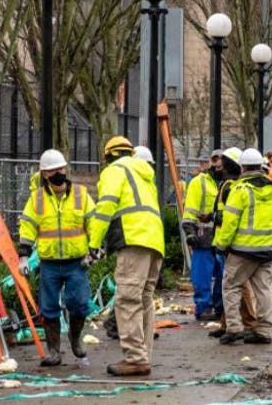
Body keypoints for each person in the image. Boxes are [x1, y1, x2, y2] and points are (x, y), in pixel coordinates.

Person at [89, 136, 165, 376]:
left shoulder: (114, 171)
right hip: (154, 241)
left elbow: (105, 208)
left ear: (109, 156)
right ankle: (143, 356)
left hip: (133, 239)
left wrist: (93, 242)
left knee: (127, 299)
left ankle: (135, 358)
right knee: (144, 298)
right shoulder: (144, 173)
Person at [17, 149, 95, 367]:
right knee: (48, 307)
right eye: (52, 171)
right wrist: (24, 255)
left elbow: (94, 223)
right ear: (44, 174)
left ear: (65, 168)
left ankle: (75, 337)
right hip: (49, 263)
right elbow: (28, 226)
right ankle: (54, 352)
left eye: (60, 169)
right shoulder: (37, 199)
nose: (57, 174)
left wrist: (95, 249)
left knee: (79, 304)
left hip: (76, 262)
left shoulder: (81, 195)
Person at [213, 148, 272, 345]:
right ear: (260, 166)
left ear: (243, 167)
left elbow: (230, 221)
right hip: (266, 249)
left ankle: (234, 328)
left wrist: (221, 245)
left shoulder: (240, 190)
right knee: (264, 289)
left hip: (243, 250)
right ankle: (264, 329)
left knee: (231, 286)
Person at [208, 147, 258, 338]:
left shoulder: (231, 186)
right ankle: (227, 322)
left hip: (228, 241)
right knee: (229, 282)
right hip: (225, 239)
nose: (219, 164)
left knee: (237, 283)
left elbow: (231, 216)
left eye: (223, 161)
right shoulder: (229, 185)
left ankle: (247, 322)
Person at [182, 150, 223, 322]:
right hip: (203, 236)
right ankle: (204, 307)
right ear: (209, 162)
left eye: (221, 160)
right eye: (214, 159)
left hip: (221, 237)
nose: (217, 164)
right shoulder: (199, 182)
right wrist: (190, 232)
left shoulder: (228, 183)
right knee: (202, 276)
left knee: (223, 275)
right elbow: (190, 209)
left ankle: (219, 306)